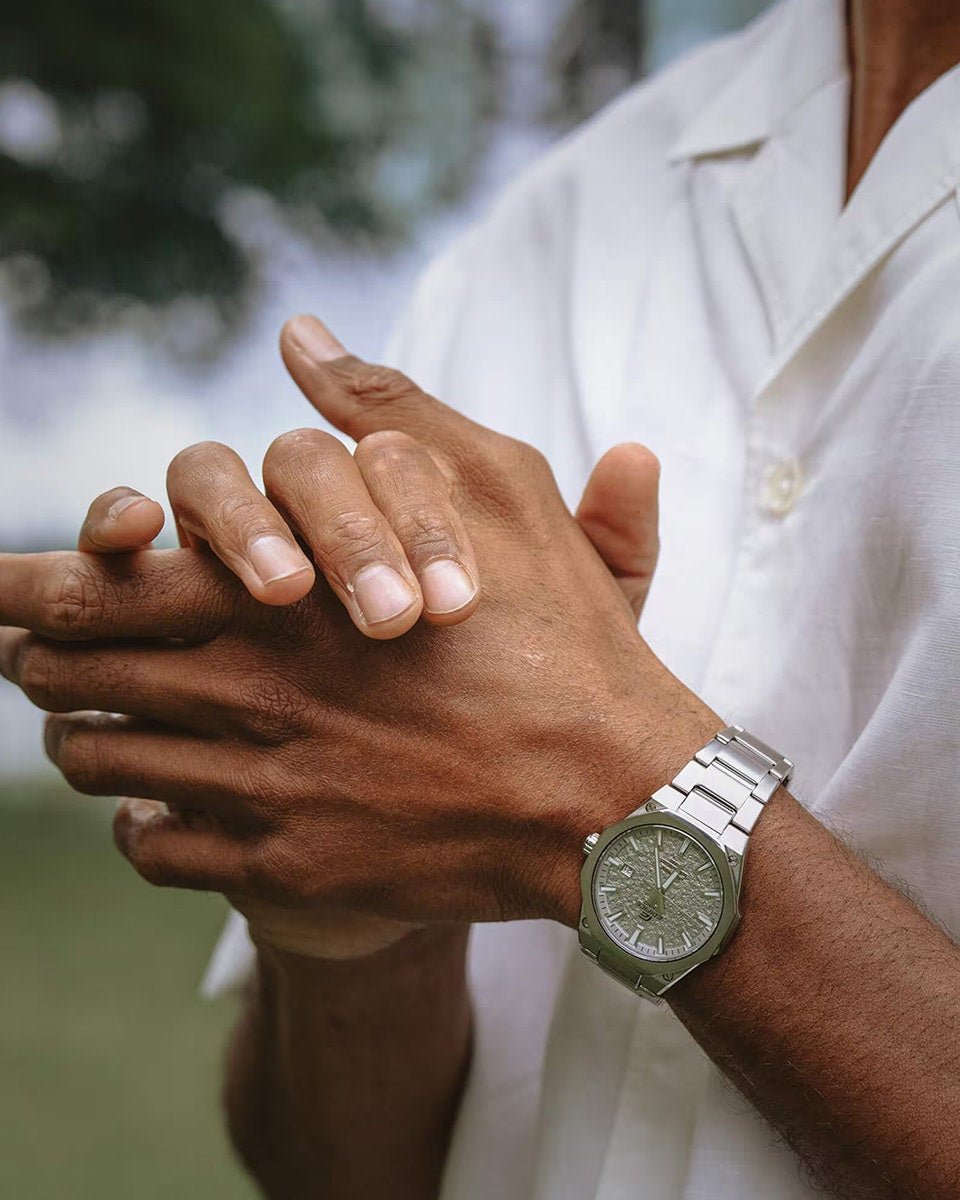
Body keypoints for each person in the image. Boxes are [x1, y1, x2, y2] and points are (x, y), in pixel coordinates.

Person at [2, 0, 960, 1196]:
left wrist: (605, 791)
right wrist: (354, 943)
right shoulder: (552, 225)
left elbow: (590, 783)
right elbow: (334, 1169)